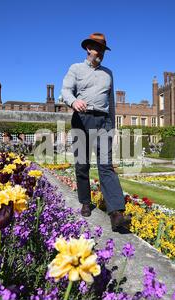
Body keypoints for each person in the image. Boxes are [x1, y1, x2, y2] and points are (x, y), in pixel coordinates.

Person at [61, 33, 130, 232]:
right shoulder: (75, 68)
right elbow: (65, 90)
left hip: (103, 121)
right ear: (88, 48)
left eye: (102, 49)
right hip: (81, 119)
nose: (99, 52)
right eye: (96, 48)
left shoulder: (108, 73)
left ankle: (117, 213)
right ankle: (85, 201)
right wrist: (74, 101)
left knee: (106, 166)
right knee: (82, 164)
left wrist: (112, 127)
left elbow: (112, 103)